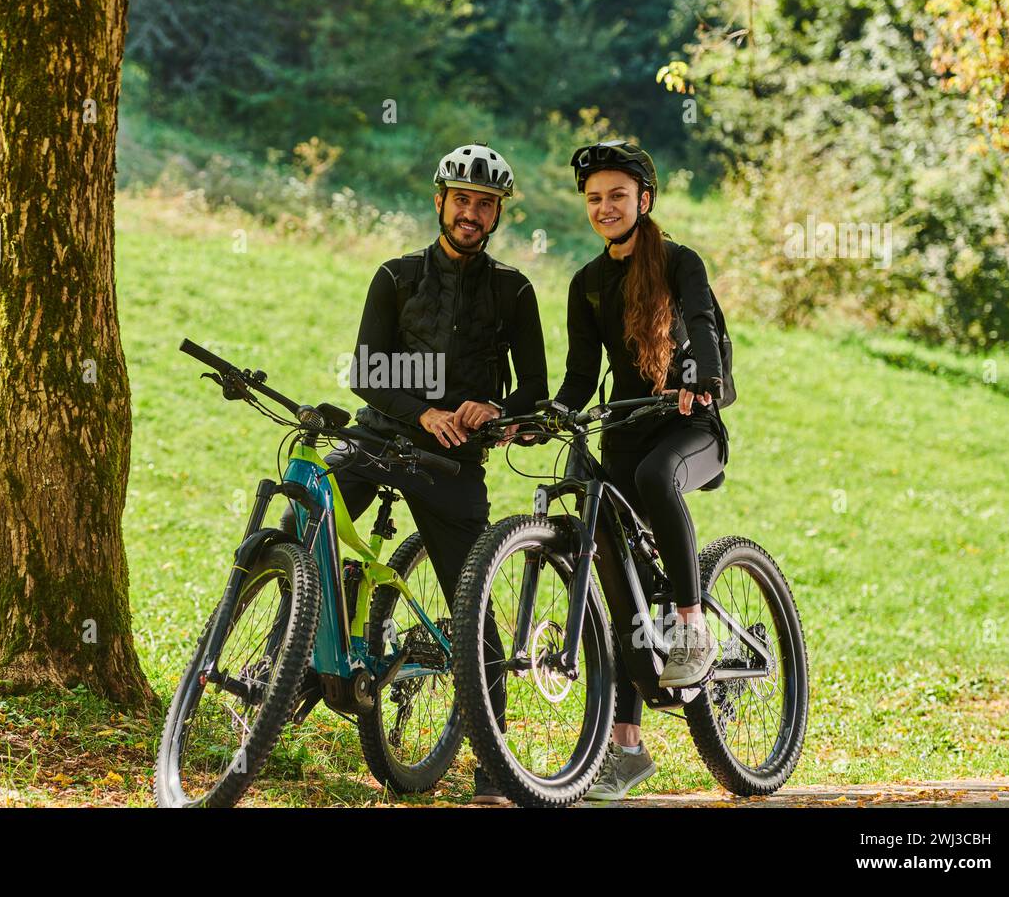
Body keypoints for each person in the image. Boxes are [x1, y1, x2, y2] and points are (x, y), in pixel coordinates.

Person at [288, 142, 549, 804]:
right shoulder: (396, 276)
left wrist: (494, 408)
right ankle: (287, 668)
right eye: (462, 199)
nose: (472, 212)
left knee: (471, 600)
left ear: (496, 215)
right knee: (306, 520)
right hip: (379, 438)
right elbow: (369, 373)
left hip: (452, 461)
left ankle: (493, 763)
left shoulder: (513, 291)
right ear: (440, 201)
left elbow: (536, 393)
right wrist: (425, 410)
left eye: (484, 204)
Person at [551, 140, 729, 804]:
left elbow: (703, 321)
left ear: (643, 201)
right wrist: (543, 416)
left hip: (690, 427)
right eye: (595, 198)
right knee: (613, 570)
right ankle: (625, 750)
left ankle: (692, 624)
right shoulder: (586, 283)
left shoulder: (680, 262)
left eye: (617, 196)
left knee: (658, 477)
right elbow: (577, 377)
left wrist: (702, 378)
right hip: (625, 430)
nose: (605, 207)